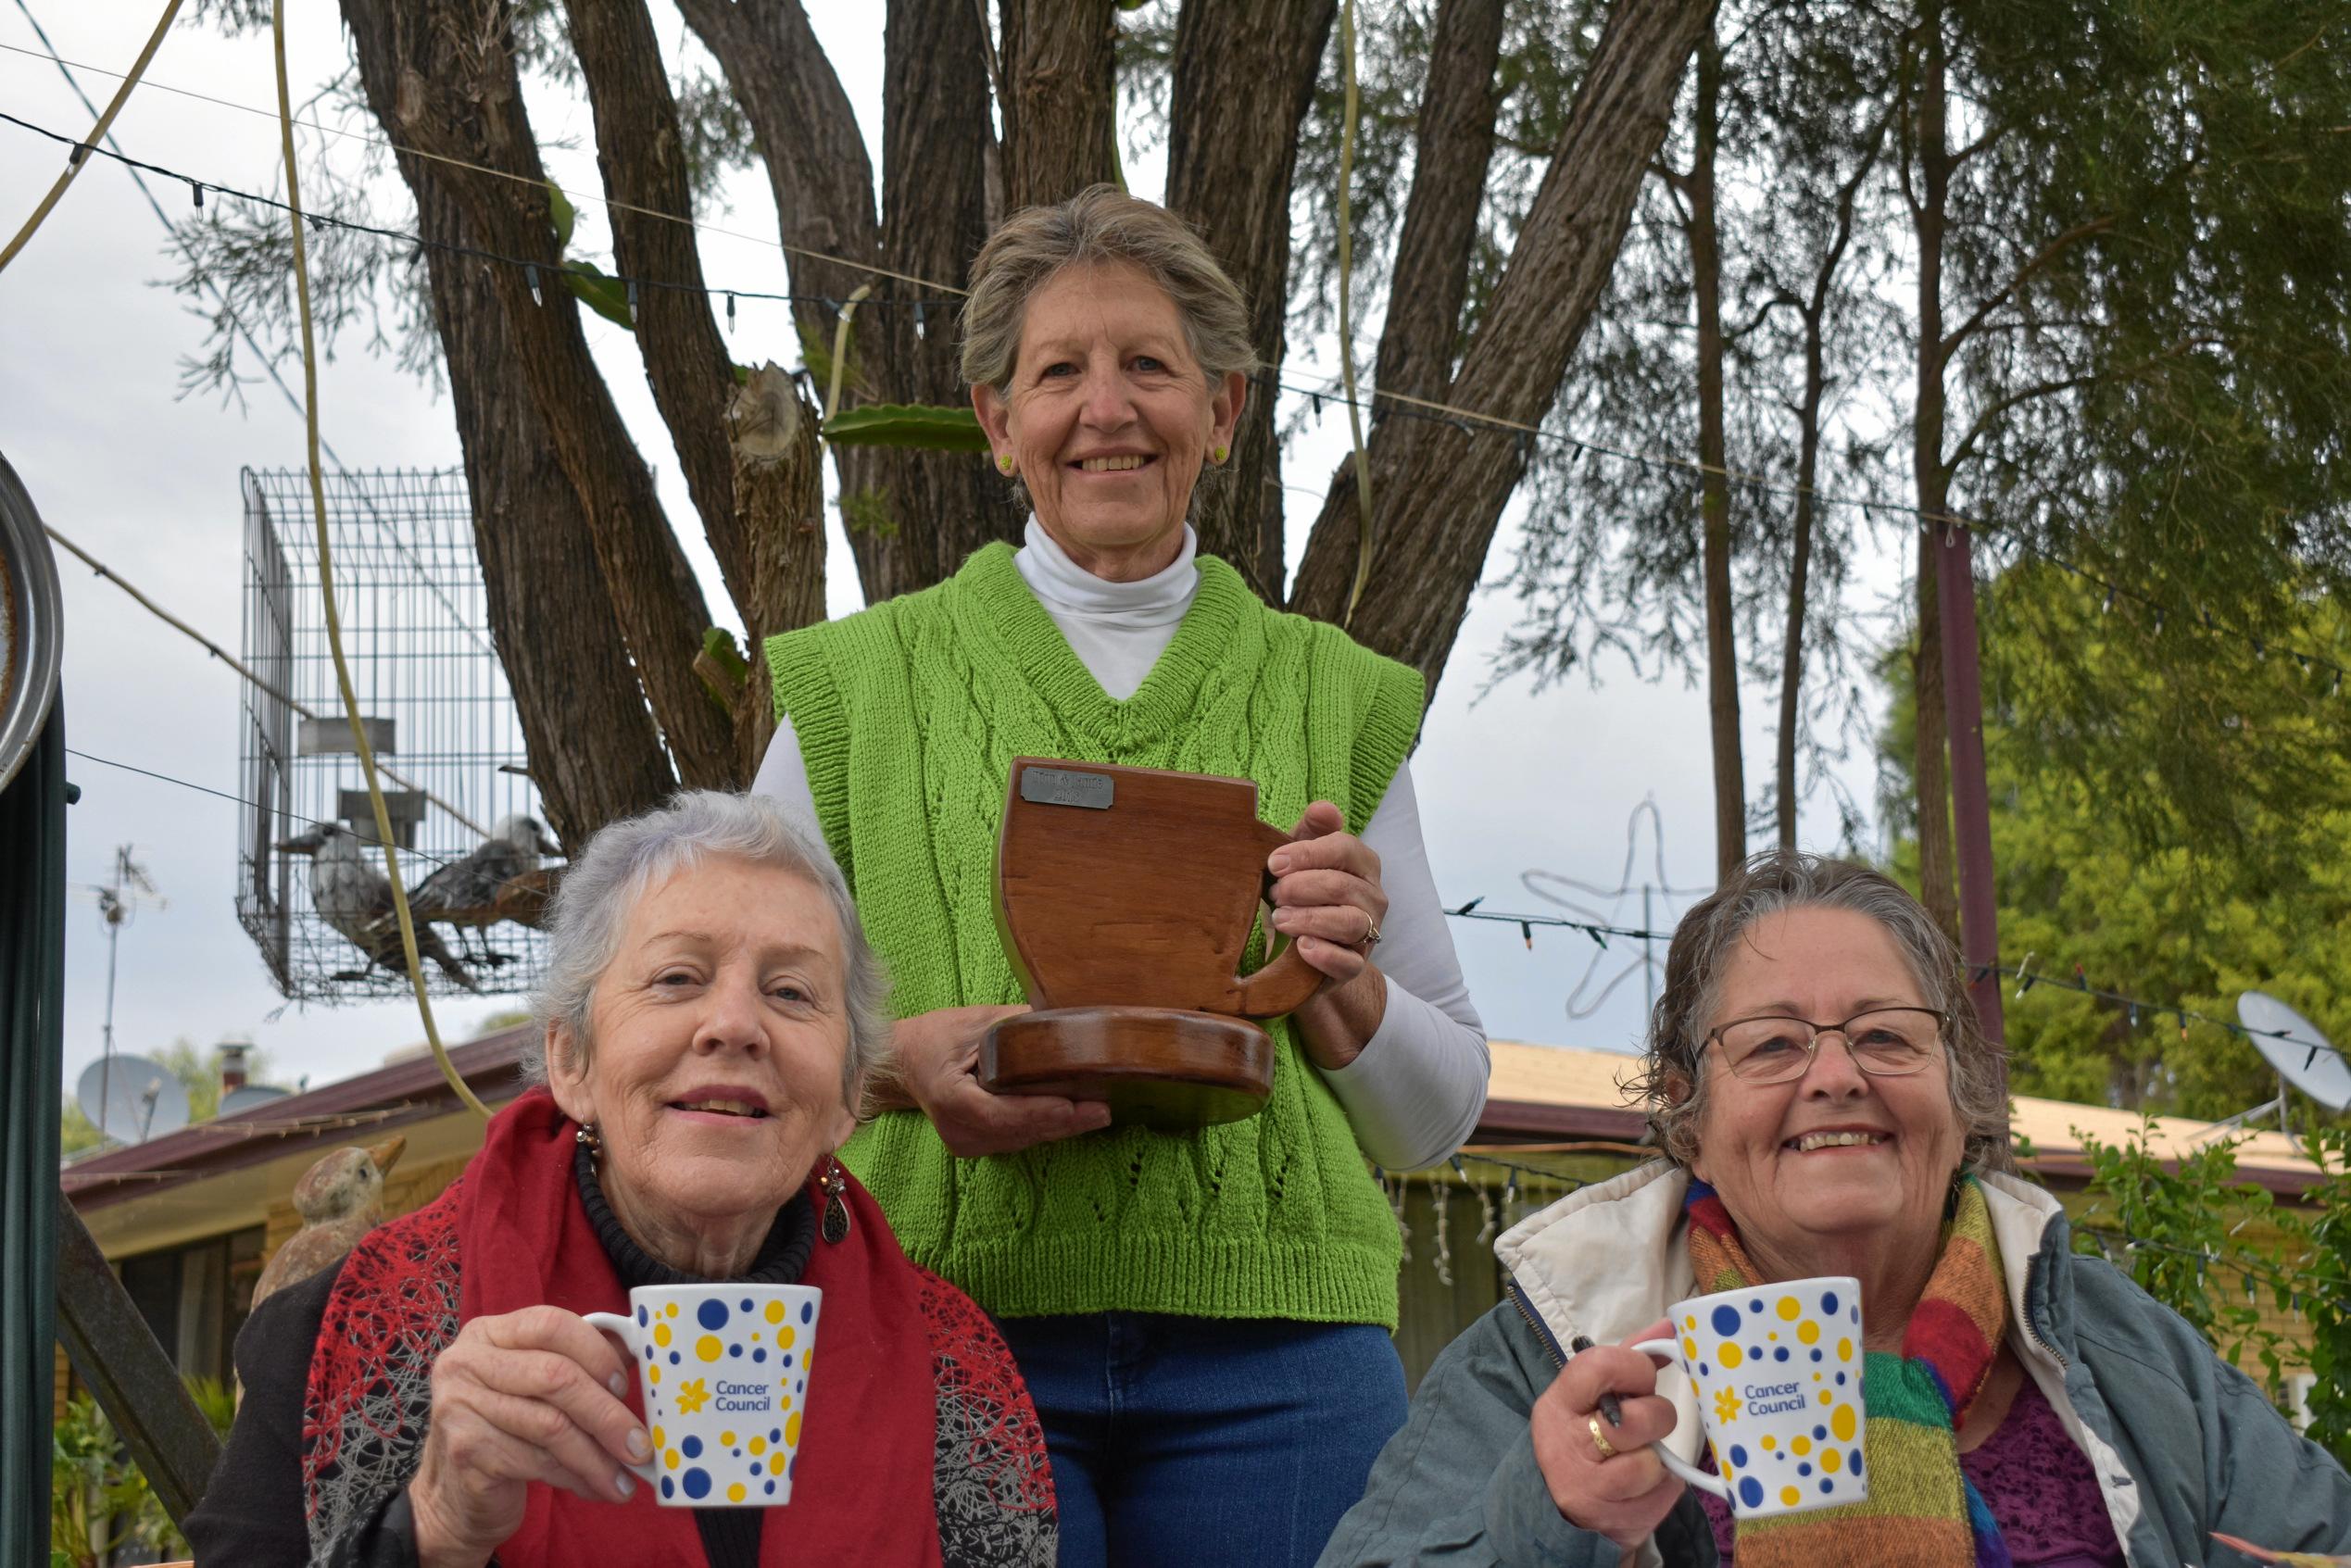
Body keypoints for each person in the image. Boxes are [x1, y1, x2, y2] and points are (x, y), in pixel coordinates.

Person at [751, 183, 1490, 1567]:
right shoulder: (855, 690)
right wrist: (897, 1060)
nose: (1106, 409)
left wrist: (1335, 980)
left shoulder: (1334, 695)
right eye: (1057, 374)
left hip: (1287, 1365)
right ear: (994, 422)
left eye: (1149, 365)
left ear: (1221, 407)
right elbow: (725, 1036)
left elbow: (1431, 1121)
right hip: (940, 1329)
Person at [1318, 851, 2351, 1568]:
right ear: (1687, 1109)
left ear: (1962, 1087)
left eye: (1888, 1036)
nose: (1835, 1076)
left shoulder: (2120, 1347)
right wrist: (1548, 1519)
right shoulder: (1551, 1355)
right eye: (1771, 1044)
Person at [184, 793, 1057, 1568]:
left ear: (844, 1099)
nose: (735, 1024)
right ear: (572, 1062)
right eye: (677, 977)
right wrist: (436, 1525)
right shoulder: (357, 1328)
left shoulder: (953, 1371)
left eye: (791, 992)